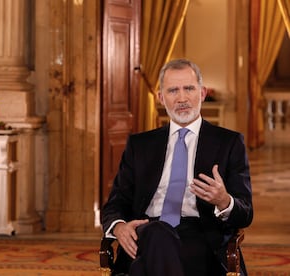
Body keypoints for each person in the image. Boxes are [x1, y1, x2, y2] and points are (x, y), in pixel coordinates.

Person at [101, 58, 253, 276]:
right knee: (156, 233)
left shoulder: (229, 143)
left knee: (146, 260)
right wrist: (119, 227)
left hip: (201, 237)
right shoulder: (140, 145)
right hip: (145, 232)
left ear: (202, 93)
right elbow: (115, 204)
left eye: (189, 88)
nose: (182, 98)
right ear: (161, 98)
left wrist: (224, 200)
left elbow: (246, 213)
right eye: (173, 91)